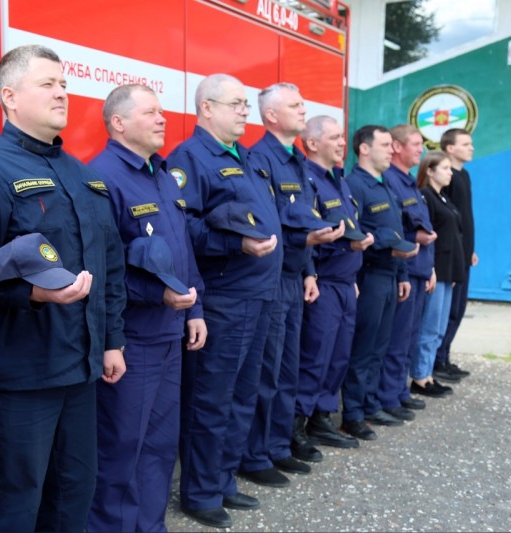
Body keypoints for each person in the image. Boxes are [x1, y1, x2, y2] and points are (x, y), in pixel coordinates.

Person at [0, 45, 127, 533]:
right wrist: (32, 294)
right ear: (9, 96)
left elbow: (109, 265)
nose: (61, 93)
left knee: (73, 492)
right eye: (47, 84)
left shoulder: (83, 175)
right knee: (12, 502)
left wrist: (112, 340)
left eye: (63, 84)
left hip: (80, 370)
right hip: (19, 377)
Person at [86, 84, 207, 533]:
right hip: (132, 339)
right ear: (118, 123)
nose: (163, 119)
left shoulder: (163, 174)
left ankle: (150, 526)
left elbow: (183, 251)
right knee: (121, 449)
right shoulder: (101, 179)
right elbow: (102, 268)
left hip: (169, 333)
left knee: (158, 445)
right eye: (150, 112)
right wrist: (157, 297)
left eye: (162, 112)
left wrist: (195, 309)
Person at [166, 73, 280, 529]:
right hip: (225, 297)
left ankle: (223, 479)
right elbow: (183, 227)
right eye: (236, 104)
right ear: (207, 108)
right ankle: (200, 493)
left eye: (246, 104)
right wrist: (236, 245)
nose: (244, 112)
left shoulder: (244, 155)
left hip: (259, 294)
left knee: (242, 394)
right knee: (210, 399)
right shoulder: (191, 158)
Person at [240, 84, 345, 488]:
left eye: (303, 104)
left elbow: (305, 217)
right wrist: (305, 245)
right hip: (270, 278)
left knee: (287, 370)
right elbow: (269, 224)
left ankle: (278, 445)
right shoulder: (260, 159)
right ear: (270, 116)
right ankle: (255, 454)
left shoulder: (296, 160)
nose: (304, 110)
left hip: (294, 277)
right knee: (266, 372)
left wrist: (309, 271)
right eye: (295, 105)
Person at [296, 116, 374, 450]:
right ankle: (296, 426)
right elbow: (307, 236)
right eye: (335, 137)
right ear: (313, 143)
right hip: (324, 282)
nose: (343, 143)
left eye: (343, 137)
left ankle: (321, 417)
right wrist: (312, 272)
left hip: (344, 282)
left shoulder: (338, 181)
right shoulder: (307, 179)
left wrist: (351, 275)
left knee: (338, 355)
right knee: (315, 355)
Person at [340, 125, 419, 441]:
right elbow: (355, 234)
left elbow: (397, 233)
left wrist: (402, 274)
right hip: (369, 275)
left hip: (389, 275)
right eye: (385, 145)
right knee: (363, 348)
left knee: (379, 347)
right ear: (364, 149)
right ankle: (353, 414)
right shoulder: (354, 185)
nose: (391, 150)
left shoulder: (385, 185)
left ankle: (370, 405)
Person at [377, 125, 437, 419]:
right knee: (396, 339)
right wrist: (416, 238)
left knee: (409, 337)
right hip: (404, 269)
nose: (420, 150)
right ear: (397, 147)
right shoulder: (390, 180)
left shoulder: (409, 182)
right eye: (415, 144)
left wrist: (431, 268)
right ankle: (388, 396)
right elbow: (396, 229)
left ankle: (399, 391)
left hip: (419, 268)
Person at [411, 151, 465, 396]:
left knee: (439, 327)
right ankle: (420, 377)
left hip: (448, 271)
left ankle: (428, 373)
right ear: (430, 171)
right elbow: (427, 237)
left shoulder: (443, 198)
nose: (450, 173)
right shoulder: (426, 197)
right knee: (429, 327)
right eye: (444, 168)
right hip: (436, 270)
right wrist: (430, 268)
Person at [434, 128, 476, 382]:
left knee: (458, 309)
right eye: (466, 143)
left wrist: (470, 250)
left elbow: (464, 219)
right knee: (447, 310)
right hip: (451, 257)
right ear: (450, 148)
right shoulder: (447, 179)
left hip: (464, 255)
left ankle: (445, 356)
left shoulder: (464, 176)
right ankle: (437, 360)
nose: (471, 147)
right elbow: (447, 222)